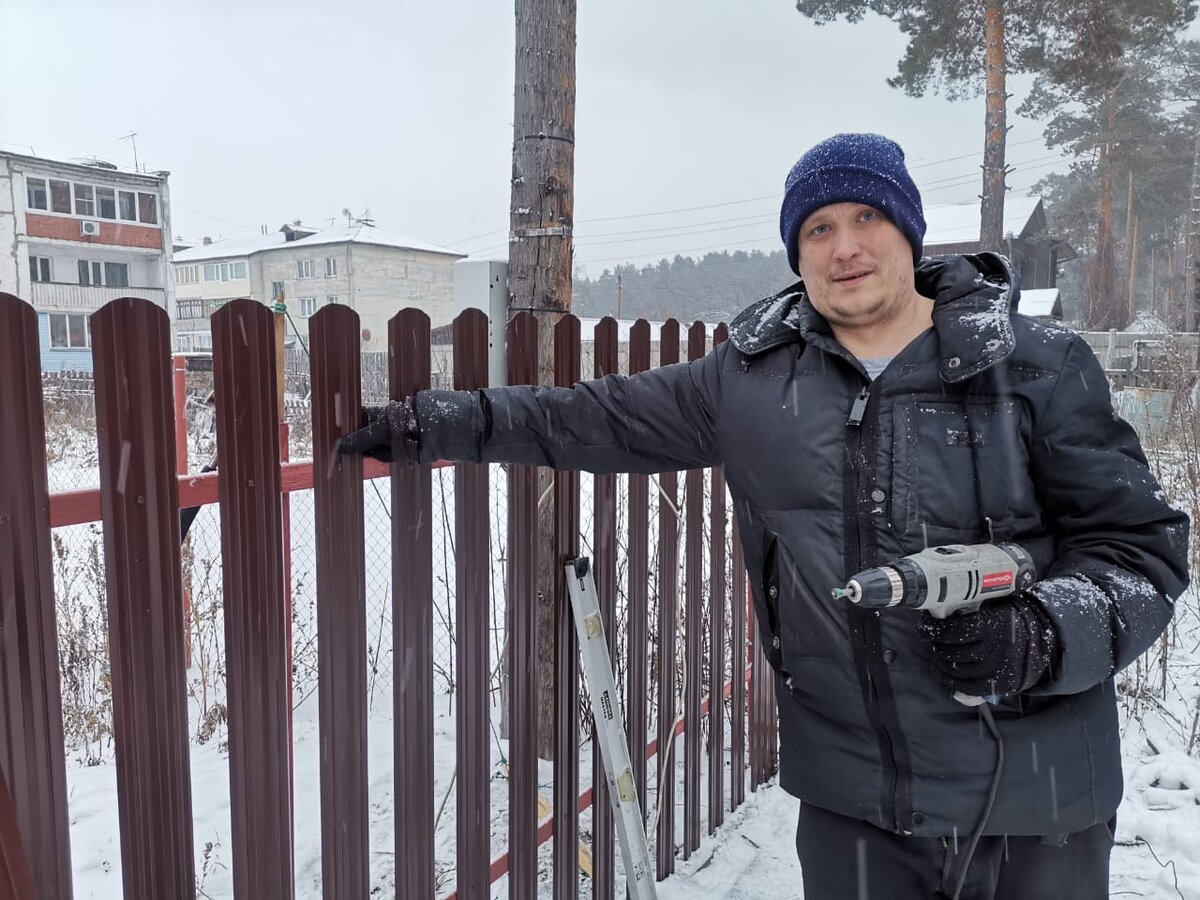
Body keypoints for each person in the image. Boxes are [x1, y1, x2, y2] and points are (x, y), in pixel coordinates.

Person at [338, 133, 1190, 899]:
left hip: (1037, 802)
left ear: (909, 231)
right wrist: (439, 423)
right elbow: (587, 416)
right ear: (796, 250)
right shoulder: (750, 379)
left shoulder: (1033, 365)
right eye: (818, 228)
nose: (845, 246)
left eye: (866, 218)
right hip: (855, 802)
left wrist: (1045, 631)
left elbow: (1140, 552)